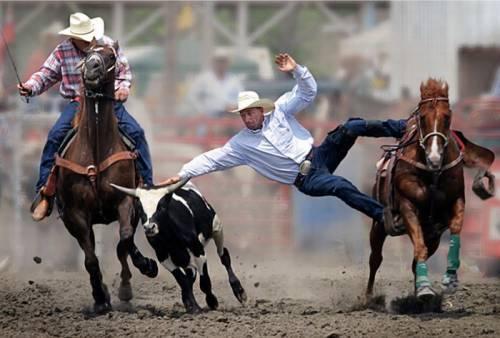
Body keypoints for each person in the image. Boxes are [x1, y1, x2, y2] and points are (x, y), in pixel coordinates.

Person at [159, 53, 406, 225]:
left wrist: (297, 70)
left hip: (319, 154)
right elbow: (211, 159)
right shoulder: (241, 144)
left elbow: (308, 91)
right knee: (340, 185)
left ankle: (404, 127)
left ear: (260, 109)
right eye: (243, 114)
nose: (246, 118)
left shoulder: (279, 109)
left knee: (351, 126)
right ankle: (384, 216)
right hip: (306, 178)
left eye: (249, 112)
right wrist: (183, 173)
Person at [18, 12, 154, 221]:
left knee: (136, 132)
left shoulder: (107, 45)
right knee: (55, 136)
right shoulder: (62, 51)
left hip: (109, 101)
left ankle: (148, 188)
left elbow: (124, 73)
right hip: (79, 102)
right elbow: (45, 75)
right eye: (82, 37)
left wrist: (122, 89)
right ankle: (45, 191)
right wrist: (30, 87)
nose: (87, 40)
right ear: (73, 37)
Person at [183, 50, 243, 118]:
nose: (221, 64)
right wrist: (201, 110)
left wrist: (234, 106)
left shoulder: (234, 79)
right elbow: (192, 96)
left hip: (230, 117)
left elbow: (242, 98)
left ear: (228, 63)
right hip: (209, 117)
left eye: (223, 61)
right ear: (213, 62)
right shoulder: (203, 79)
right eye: (219, 61)